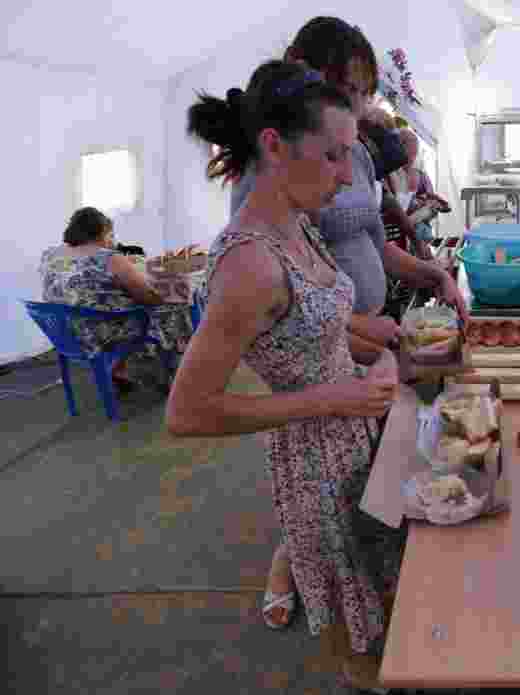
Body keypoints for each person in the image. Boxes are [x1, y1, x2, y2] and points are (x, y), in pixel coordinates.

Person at [174, 60, 402, 690]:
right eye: (332, 156)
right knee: (356, 626)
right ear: (274, 146)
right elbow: (188, 412)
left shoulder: (297, 223)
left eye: (349, 155)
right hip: (314, 467)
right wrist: (335, 397)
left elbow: (316, 325)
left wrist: (377, 346)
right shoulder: (248, 262)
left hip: (355, 435)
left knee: (382, 594)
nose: (345, 175)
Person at [229, 17, 467, 357]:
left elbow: (377, 247)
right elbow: (279, 301)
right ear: (303, 72)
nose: (357, 105)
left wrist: (434, 275)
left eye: (365, 93)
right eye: (349, 88)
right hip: (318, 355)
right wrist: (363, 335)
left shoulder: (353, 152)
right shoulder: (276, 164)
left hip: (357, 343)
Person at [39, 207, 190, 391]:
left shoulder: (51, 254)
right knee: (171, 305)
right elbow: (148, 297)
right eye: (110, 235)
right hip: (101, 335)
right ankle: (174, 372)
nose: (112, 240)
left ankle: (118, 371)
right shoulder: (108, 258)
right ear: (101, 232)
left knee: (109, 303)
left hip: (65, 332)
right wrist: (174, 286)